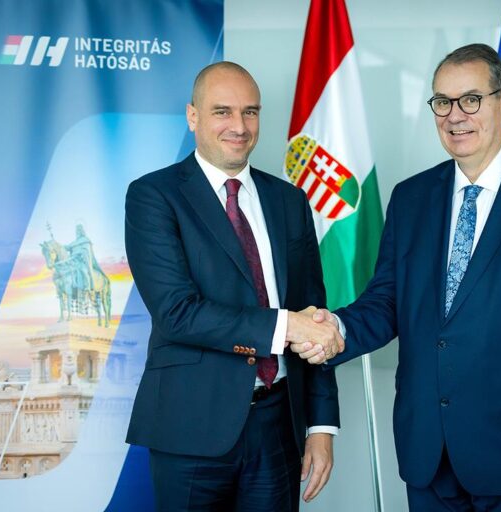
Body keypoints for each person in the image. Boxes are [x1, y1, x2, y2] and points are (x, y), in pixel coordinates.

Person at [292, 43, 501, 511]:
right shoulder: (411, 198)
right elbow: (387, 302)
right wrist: (336, 328)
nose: (455, 115)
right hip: (429, 454)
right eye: (442, 102)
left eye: (471, 99)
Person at [124, 61, 344, 511]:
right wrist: (287, 327)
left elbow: (314, 314)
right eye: (222, 111)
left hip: (278, 427)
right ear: (193, 116)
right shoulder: (153, 196)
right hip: (189, 429)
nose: (239, 126)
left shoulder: (289, 200)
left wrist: (321, 426)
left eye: (250, 112)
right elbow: (178, 313)